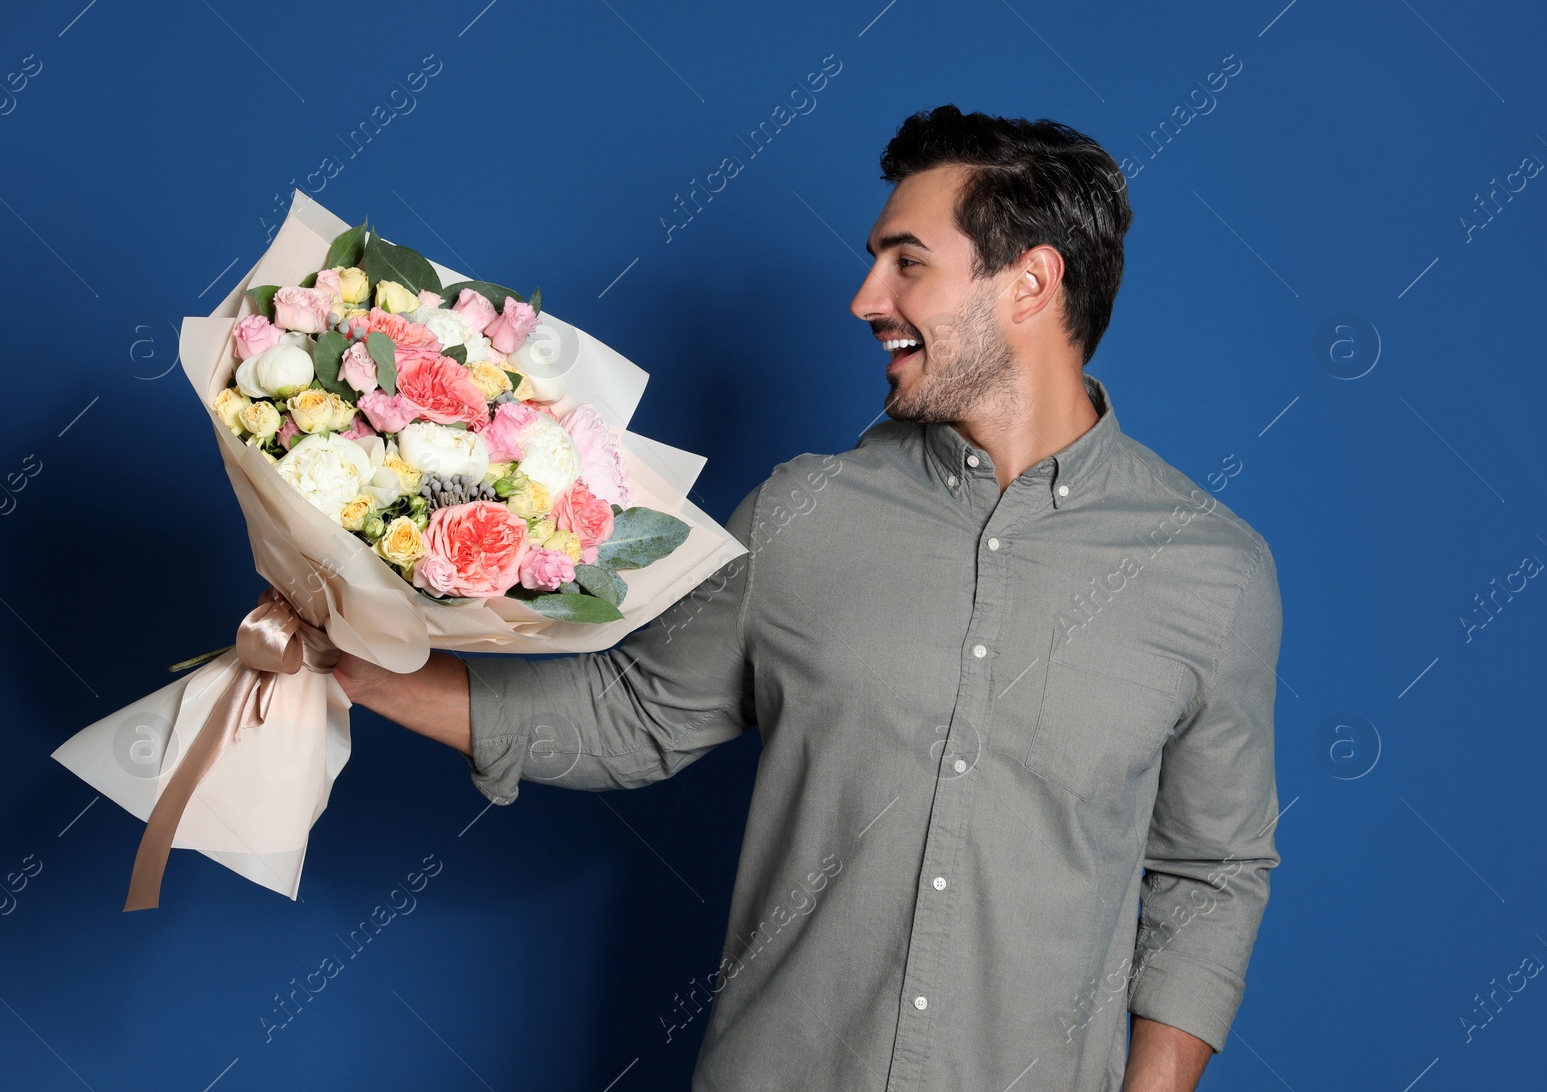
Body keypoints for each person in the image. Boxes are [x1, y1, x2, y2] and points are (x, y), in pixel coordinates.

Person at [334, 104, 1284, 1092]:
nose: (864, 298)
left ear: (1031, 283)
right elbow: (630, 711)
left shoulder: (1208, 569)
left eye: (906, 262)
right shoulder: (800, 509)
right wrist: (360, 666)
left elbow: (1210, 871)